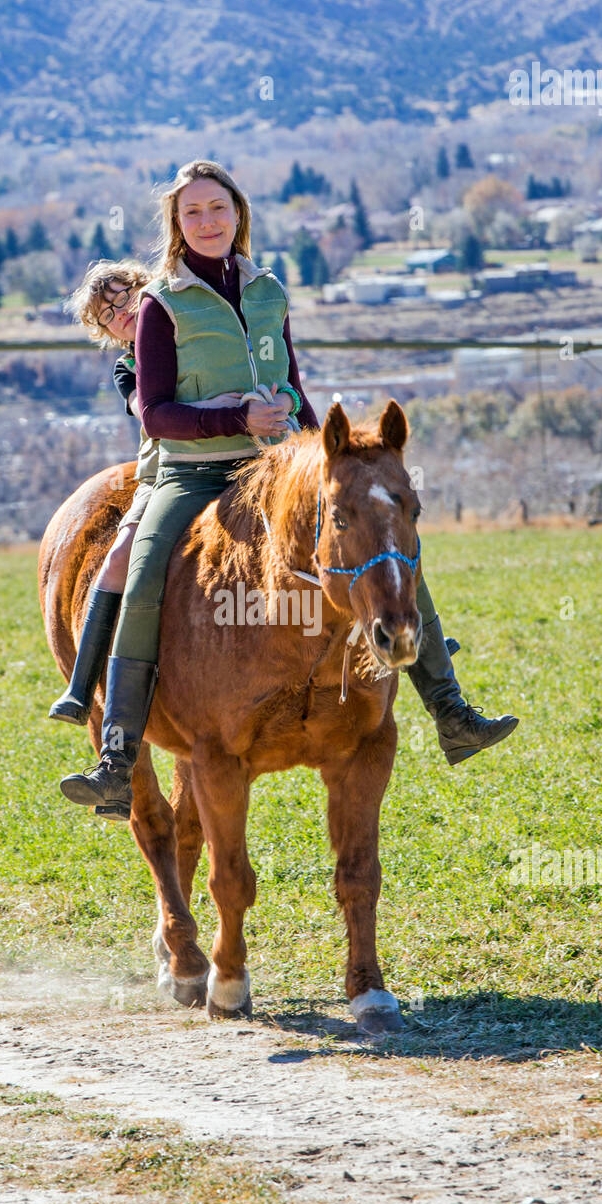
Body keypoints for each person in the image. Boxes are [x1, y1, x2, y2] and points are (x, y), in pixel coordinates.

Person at [59, 160, 517, 818]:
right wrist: (235, 419)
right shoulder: (161, 304)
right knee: (140, 568)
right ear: (177, 225)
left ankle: (450, 708)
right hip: (195, 471)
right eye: (193, 213)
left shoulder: (269, 290)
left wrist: (327, 456)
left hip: (280, 464)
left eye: (218, 209)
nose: (208, 221)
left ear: (238, 213)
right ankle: (116, 756)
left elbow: (295, 385)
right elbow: (155, 412)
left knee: (376, 528)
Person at [48, 258, 242, 724]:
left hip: (239, 453)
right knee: (120, 557)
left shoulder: (187, 335)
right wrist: (206, 409)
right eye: (108, 315)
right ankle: (82, 687)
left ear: (145, 288)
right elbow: (145, 409)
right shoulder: (127, 367)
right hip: (169, 470)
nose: (122, 313)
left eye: (124, 296)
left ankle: (418, 643)